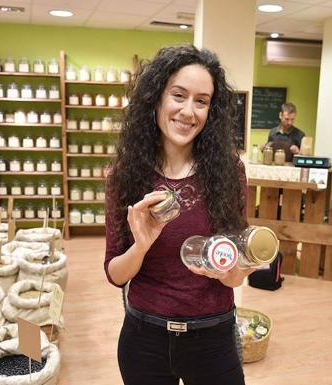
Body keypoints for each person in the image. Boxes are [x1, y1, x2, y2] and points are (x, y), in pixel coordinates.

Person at [104, 44, 253, 385]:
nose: (188, 111)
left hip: (213, 336)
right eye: (179, 95)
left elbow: (234, 274)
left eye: (201, 101)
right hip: (144, 338)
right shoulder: (126, 175)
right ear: (156, 98)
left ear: (210, 111)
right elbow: (115, 273)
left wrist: (234, 269)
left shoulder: (229, 172)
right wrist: (141, 245)